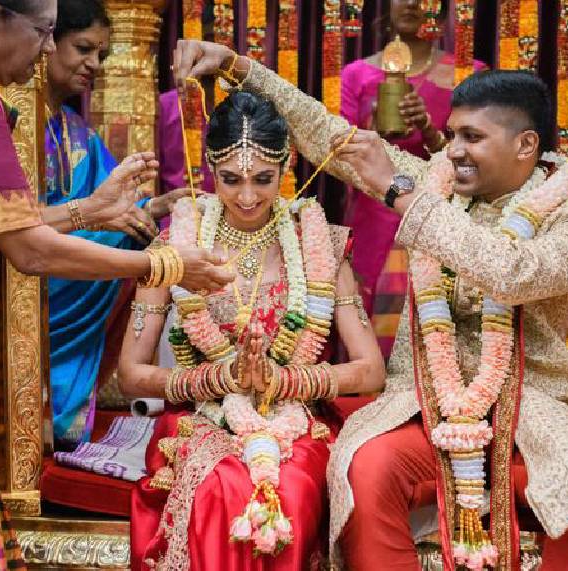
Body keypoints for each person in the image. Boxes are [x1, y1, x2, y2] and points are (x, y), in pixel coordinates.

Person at [174, 41, 568, 571]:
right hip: (422, 404)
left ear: (525, 145)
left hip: (535, 408)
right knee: (364, 468)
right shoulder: (438, 189)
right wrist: (240, 67)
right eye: (454, 133)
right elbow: (332, 136)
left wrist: (401, 193)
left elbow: (514, 272)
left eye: (472, 137)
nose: (452, 149)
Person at [0, 2, 232, 567]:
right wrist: (165, 266)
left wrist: (89, 211)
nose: (43, 50)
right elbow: (29, 249)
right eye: (43, 33)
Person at [119, 91, 385, 570]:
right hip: (202, 415)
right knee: (222, 484)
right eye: (231, 179)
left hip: (296, 419)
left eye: (264, 179)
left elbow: (370, 371)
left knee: (294, 488)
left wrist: (285, 381)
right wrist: (216, 380)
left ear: (287, 168)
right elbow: (132, 374)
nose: (247, 196)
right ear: (210, 171)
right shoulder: (175, 246)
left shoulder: (318, 242)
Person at [42, 0, 189, 451]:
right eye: (83, 48)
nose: (93, 65)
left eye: (100, 55)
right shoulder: (12, 125)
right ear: (46, 43)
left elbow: (114, 206)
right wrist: (113, 221)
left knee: (155, 251)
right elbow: (20, 226)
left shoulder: (75, 129)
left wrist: (153, 208)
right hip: (30, 274)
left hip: (67, 268)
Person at [341, 0, 485, 357]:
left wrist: (428, 130)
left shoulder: (467, 73)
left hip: (439, 214)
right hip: (373, 216)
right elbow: (339, 156)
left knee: (437, 320)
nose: (410, 4)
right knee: (369, 326)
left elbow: (481, 160)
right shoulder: (356, 74)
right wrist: (371, 132)